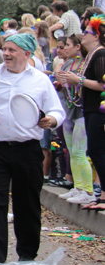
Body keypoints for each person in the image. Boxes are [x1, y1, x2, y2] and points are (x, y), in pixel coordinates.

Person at [0, 33, 64, 265]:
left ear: (26, 54)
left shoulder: (40, 80)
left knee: (27, 202)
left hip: (28, 149)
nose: (6, 54)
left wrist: (51, 120)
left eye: (12, 50)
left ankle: (27, 255)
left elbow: (57, 110)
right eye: (5, 49)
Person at [54, 18, 105, 211]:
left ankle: (96, 193)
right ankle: (92, 193)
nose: (83, 34)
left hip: (97, 110)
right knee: (88, 152)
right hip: (87, 109)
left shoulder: (100, 54)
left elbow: (102, 85)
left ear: (96, 36)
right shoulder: (92, 55)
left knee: (95, 152)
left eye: (87, 32)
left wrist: (79, 80)